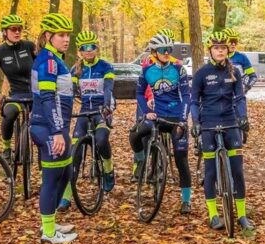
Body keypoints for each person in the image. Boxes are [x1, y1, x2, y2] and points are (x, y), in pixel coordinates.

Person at [190, 31, 252, 231]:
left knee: (238, 172)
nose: (220, 51)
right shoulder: (201, 73)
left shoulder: (234, 72)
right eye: (216, 48)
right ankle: (213, 215)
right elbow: (193, 101)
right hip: (208, 124)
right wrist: (196, 122)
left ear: (227, 50)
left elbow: (240, 97)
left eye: (223, 48)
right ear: (210, 50)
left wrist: (243, 117)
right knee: (210, 173)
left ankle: (242, 215)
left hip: (230, 122)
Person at [129, 34, 193, 213]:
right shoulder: (147, 70)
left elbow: (187, 95)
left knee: (181, 158)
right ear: (154, 52)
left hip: (175, 118)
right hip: (156, 116)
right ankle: (141, 161)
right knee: (135, 134)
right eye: (163, 50)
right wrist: (147, 112)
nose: (167, 53)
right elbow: (140, 94)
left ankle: (186, 200)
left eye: (169, 50)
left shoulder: (178, 69)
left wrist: (182, 119)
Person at [30, 13, 76, 244]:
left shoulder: (56, 59)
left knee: (66, 173)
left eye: (68, 35)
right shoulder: (48, 60)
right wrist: (57, 131)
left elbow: (62, 92)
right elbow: (48, 97)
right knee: (51, 178)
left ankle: (51, 221)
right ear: (48, 36)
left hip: (59, 127)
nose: (66, 39)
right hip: (48, 128)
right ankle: (48, 232)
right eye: (61, 35)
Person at [57, 31, 116, 211]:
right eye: (84, 48)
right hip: (84, 111)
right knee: (74, 153)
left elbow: (108, 88)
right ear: (80, 51)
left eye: (91, 47)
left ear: (96, 48)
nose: (88, 51)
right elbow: (69, 89)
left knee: (101, 140)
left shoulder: (105, 66)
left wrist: (106, 106)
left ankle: (108, 168)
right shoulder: (76, 69)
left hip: (101, 109)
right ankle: (66, 196)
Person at [0, 15, 36, 161]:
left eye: (19, 29)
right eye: (13, 29)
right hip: (16, 95)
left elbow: (43, 66)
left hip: (35, 94)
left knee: (43, 122)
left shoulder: (29, 46)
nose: (17, 32)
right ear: (5, 32)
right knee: (9, 113)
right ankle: (6, 147)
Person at [223, 28, 257, 93]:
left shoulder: (242, 57)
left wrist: (247, 87)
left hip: (237, 94)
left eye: (235, 41)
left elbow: (253, 77)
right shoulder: (217, 58)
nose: (233, 44)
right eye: (231, 41)